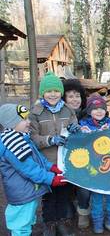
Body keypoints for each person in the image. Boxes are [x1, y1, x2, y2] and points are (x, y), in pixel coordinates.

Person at [0, 104, 66, 236]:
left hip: (27, 190)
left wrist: (50, 166)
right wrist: (51, 179)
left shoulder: (20, 137)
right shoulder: (13, 143)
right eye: (24, 119)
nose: (29, 122)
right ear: (11, 123)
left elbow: (37, 157)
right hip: (22, 193)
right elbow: (29, 169)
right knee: (21, 224)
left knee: (27, 219)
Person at [28, 72, 78, 236]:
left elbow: (74, 128)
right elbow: (32, 137)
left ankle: (62, 222)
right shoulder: (35, 113)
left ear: (60, 92)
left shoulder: (68, 110)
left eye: (56, 91)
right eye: (49, 91)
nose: (53, 94)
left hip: (65, 161)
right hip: (46, 162)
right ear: (43, 93)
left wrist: (74, 130)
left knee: (63, 194)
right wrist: (50, 140)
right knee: (49, 196)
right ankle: (49, 224)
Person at [79, 96, 110, 234]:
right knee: (96, 196)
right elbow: (80, 137)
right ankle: (97, 221)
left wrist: (109, 129)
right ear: (89, 111)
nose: (99, 111)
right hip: (94, 168)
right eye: (95, 109)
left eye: (101, 108)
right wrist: (82, 131)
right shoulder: (85, 124)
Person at [62, 78, 90, 229]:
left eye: (77, 95)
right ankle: (68, 210)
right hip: (64, 158)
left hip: (85, 159)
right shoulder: (59, 115)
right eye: (70, 96)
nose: (75, 99)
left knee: (84, 187)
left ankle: (83, 211)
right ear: (64, 98)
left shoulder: (88, 115)